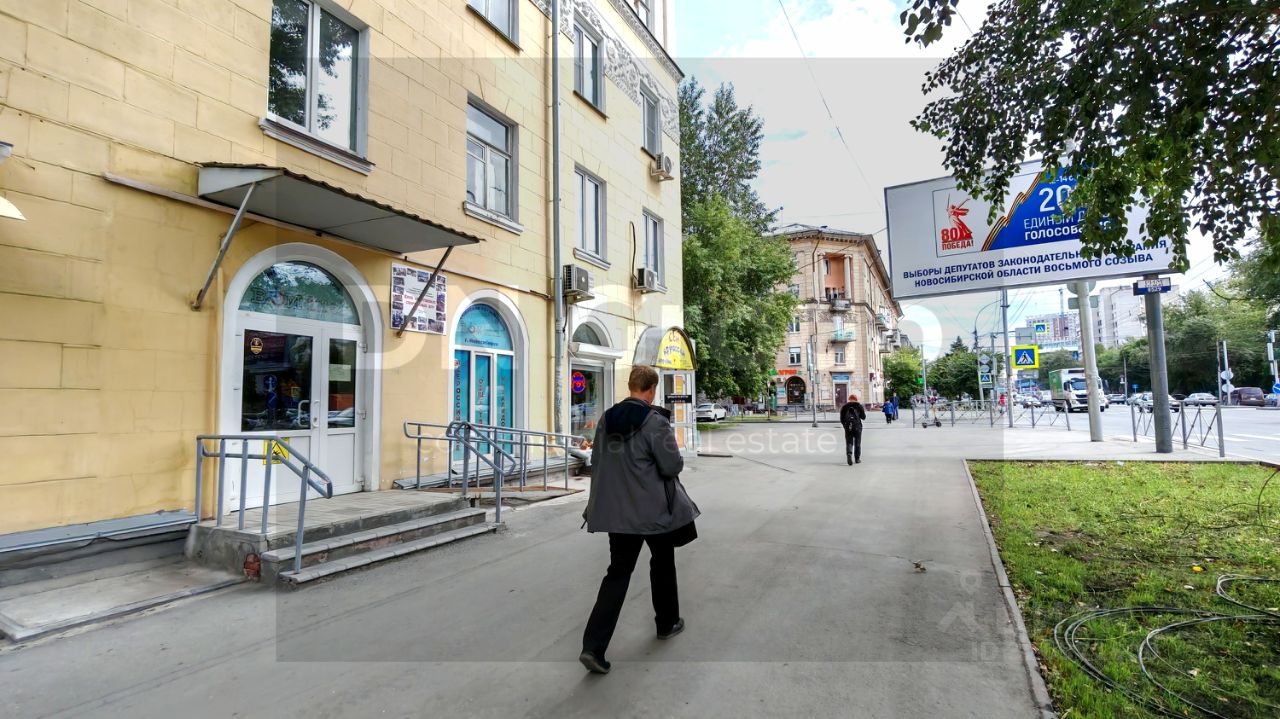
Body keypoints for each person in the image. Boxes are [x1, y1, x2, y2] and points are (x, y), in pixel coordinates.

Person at [579, 365, 700, 675]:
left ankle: (593, 647)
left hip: (617, 513)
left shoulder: (606, 419)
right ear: (652, 390)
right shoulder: (655, 421)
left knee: (617, 574)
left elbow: (598, 461)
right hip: (653, 511)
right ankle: (667, 623)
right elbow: (671, 466)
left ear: (631, 386)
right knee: (662, 564)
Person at [839, 393, 867, 465]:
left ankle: (849, 454)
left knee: (849, 442)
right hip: (857, 427)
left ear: (849, 399)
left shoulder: (845, 407)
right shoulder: (859, 406)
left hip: (848, 427)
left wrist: (845, 426)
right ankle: (857, 459)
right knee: (857, 443)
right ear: (856, 399)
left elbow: (842, 418)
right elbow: (864, 417)